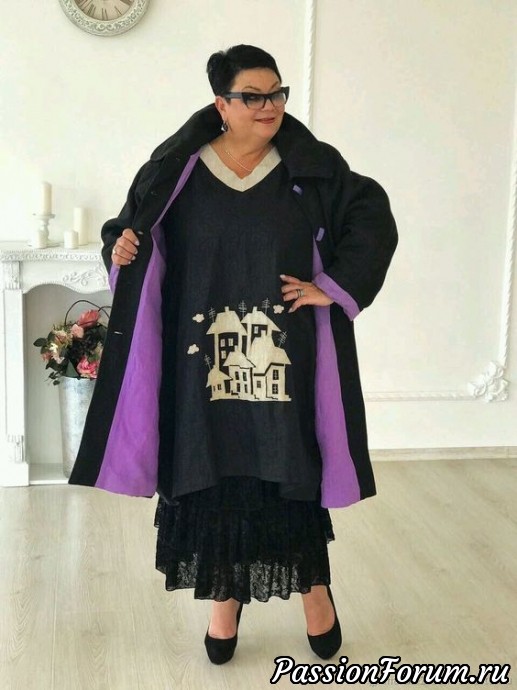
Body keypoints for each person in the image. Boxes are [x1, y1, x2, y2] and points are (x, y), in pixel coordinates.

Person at [69, 44, 397, 664]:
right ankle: (225, 599)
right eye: (253, 96)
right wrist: (120, 244)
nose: (269, 106)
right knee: (208, 466)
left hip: (286, 358)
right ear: (221, 103)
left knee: (289, 468)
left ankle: (316, 592)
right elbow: (128, 226)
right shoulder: (177, 169)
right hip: (200, 363)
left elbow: (372, 218)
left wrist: (331, 288)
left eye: (276, 93)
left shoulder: (312, 168)